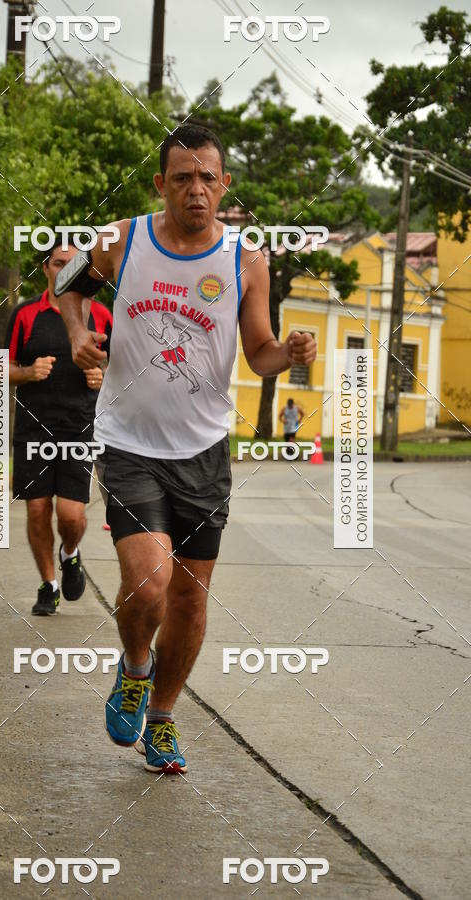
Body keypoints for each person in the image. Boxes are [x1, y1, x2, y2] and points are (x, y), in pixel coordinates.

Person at [58, 124, 316, 773]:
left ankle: (164, 719)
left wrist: (287, 353)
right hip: (129, 443)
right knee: (149, 586)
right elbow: (65, 282)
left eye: (207, 177)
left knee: (191, 599)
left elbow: (258, 352)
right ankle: (135, 668)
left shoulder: (246, 261)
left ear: (224, 185)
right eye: (182, 178)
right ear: (161, 185)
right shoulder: (124, 241)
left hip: (203, 451)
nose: (195, 190)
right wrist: (76, 333)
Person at [6, 239, 112, 616]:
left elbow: (120, 368)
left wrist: (102, 376)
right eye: (57, 263)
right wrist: (27, 372)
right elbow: (2, 368)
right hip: (33, 430)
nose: (63, 269)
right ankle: (48, 584)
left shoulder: (100, 316)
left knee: (70, 516)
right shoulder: (24, 315)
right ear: (46, 269)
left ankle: (70, 553)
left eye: (72, 264)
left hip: (79, 429)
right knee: (37, 510)